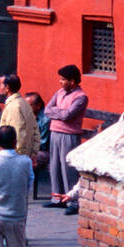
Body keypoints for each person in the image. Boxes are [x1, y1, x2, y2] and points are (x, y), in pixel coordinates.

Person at [42, 65, 88, 207]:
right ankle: (57, 198)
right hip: (55, 132)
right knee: (55, 166)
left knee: (68, 169)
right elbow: (46, 110)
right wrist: (61, 112)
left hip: (69, 135)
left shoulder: (81, 97)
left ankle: (72, 201)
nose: (60, 82)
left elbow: (69, 115)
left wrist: (58, 112)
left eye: (63, 80)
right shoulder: (59, 92)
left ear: (72, 81)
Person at [0, 74, 40, 159]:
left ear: (7, 88)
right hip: (25, 155)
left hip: (14, 157)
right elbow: (35, 131)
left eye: (1, 84)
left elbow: (18, 134)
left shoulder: (14, 107)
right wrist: (33, 154)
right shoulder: (24, 103)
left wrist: (16, 156)